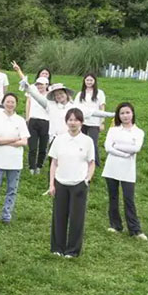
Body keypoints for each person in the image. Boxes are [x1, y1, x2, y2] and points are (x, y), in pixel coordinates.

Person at [48, 109, 95, 258]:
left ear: (81, 122)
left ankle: (72, 250)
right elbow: (54, 163)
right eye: (70, 119)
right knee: (59, 216)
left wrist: (86, 179)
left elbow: (92, 163)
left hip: (78, 184)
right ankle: (57, 248)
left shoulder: (87, 141)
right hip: (61, 182)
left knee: (76, 218)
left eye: (76, 120)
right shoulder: (59, 139)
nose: (72, 123)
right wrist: (51, 184)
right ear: (66, 121)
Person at [102, 103, 147, 240]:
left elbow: (136, 148)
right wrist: (124, 153)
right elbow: (108, 147)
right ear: (118, 116)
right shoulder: (113, 130)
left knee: (129, 199)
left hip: (128, 170)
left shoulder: (138, 132)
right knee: (113, 197)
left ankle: (135, 230)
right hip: (112, 167)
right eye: (122, 113)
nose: (125, 116)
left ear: (132, 113)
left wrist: (117, 146)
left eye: (127, 112)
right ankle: (115, 225)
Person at [0, 93, 30, 224]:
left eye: (13, 102)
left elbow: (24, 142)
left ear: (16, 104)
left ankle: (6, 215)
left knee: (12, 190)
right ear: (3, 102)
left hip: (15, 161)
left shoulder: (20, 120)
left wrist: (4, 141)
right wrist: (14, 139)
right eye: (8, 101)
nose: (10, 104)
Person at [74, 73, 106, 167]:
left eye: (91, 80)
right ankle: (81, 160)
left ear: (94, 81)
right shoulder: (80, 94)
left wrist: (102, 122)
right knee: (81, 141)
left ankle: (95, 163)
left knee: (93, 143)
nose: (89, 82)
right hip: (82, 122)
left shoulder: (100, 93)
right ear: (84, 81)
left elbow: (102, 107)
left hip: (94, 123)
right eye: (87, 80)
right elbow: (75, 107)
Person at [25, 76, 51, 174]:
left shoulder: (50, 96)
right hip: (33, 121)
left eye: (41, 84)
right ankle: (32, 167)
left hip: (46, 122)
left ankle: (39, 165)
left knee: (43, 147)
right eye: (38, 84)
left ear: (46, 85)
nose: (39, 86)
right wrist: (27, 117)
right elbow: (28, 104)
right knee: (32, 147)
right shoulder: (33, 93)